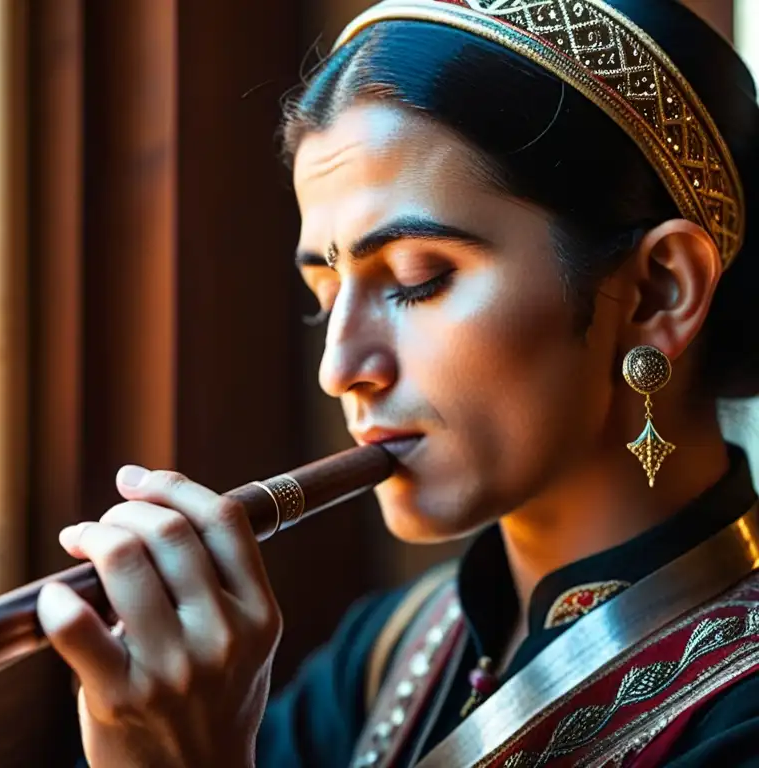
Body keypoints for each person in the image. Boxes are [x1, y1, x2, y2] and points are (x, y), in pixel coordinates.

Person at [37, 0, 759, 765]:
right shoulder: (384, 656)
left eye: (418, 280)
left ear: (658, 291)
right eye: (324, 298)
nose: (340, 368)